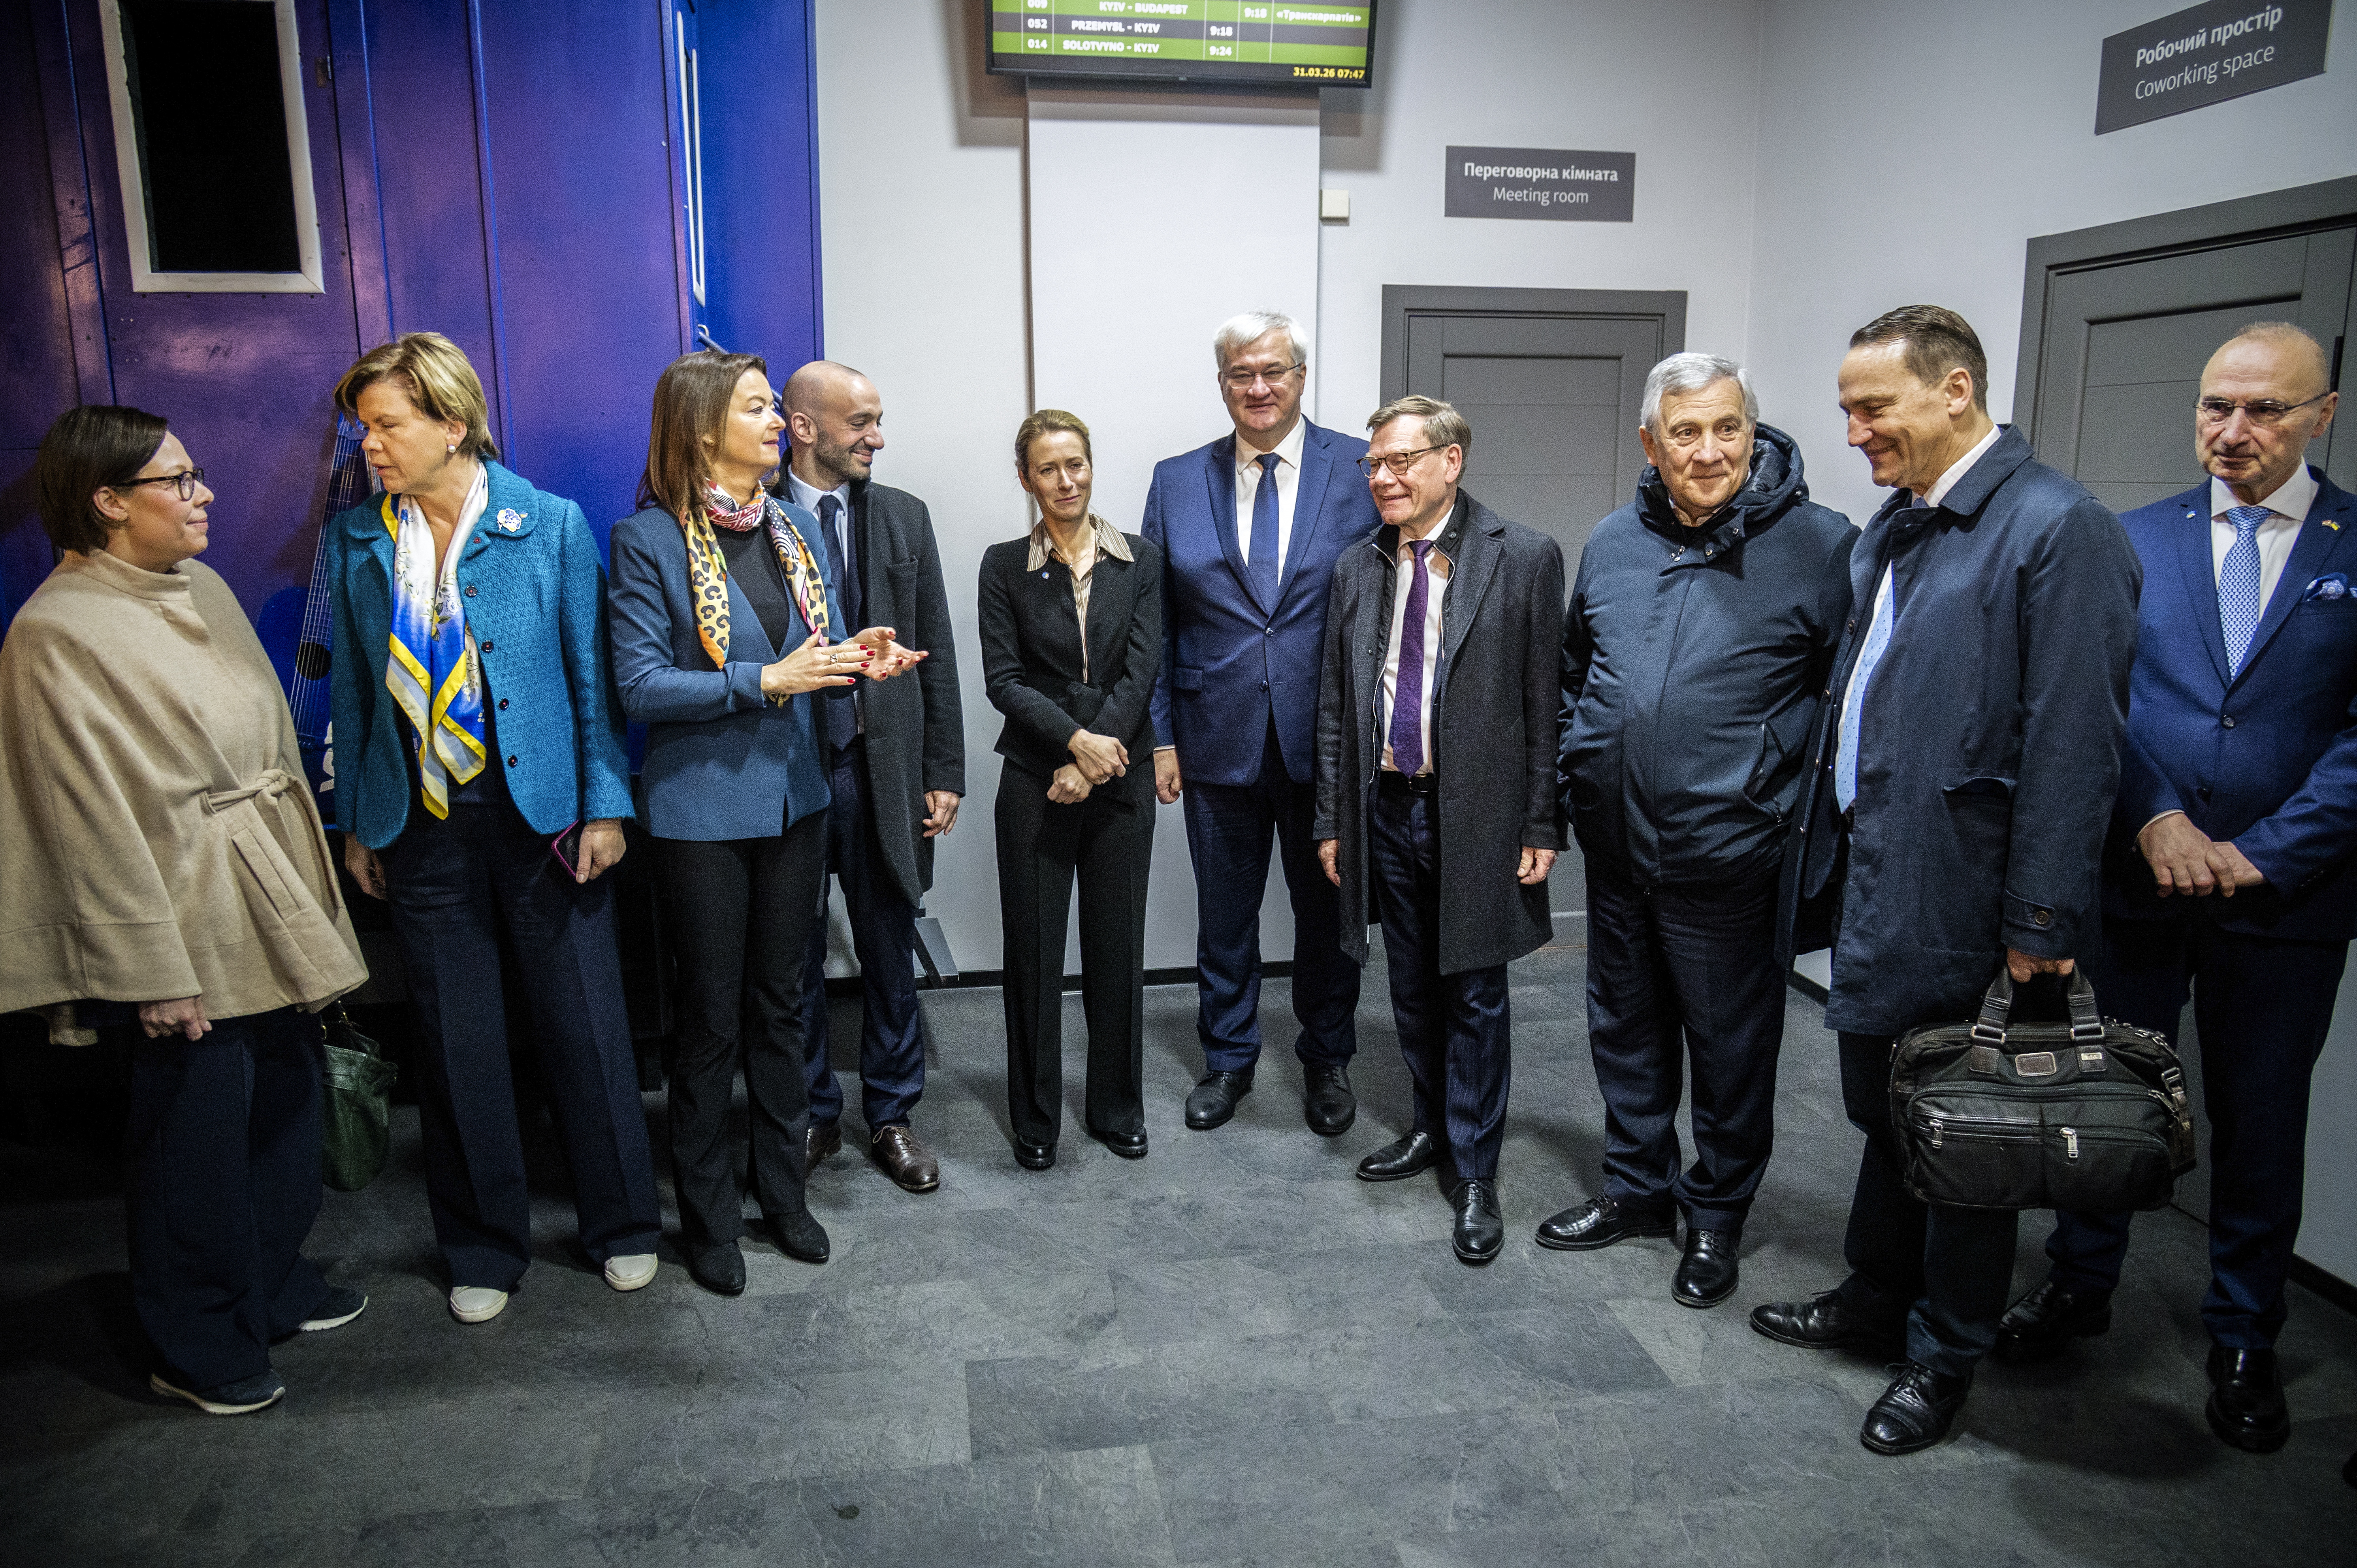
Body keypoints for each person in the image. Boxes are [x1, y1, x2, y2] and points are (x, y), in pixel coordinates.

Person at [1752, 307, 2141, 1455]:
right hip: (1884, 878)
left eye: (1872, 408)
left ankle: (1941, 1353)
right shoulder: (1899, 523)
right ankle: (1873, 1296)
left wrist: (2038, 924)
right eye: (1844, 409)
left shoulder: (2054, 528)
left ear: (1956, 391)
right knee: (1886, 1112)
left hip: (1973, 903)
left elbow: (2075, 743)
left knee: (1964, 1137)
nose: (1852, 430)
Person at [1995, 322, 2353, 1455]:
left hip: (2281, 900)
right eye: (2213, 407)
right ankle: (2078, 1281)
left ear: (2320, 415)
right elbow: (2090, 699)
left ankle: (2243, 1332)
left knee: (2258, 1120)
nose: (2231, 431)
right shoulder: (2130, 539)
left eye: (2262, 411)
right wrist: (2152, 817)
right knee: (2105, 1100)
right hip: (2136, 878)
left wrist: (2269, 848)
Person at [1, 406, 368, 1414]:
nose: (204, 494)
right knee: (193, 1142)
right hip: (177, 916)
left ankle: (271, 1282)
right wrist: (150, 973)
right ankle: (196, 1341)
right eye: (178, 480)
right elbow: (80, 821)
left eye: (196, 473)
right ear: (108, 502)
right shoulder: (55, 633)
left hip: (261, 891)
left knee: (283, 1106)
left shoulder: (196, 583)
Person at [327, 332, 663, 1326]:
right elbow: (353, 689)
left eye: (387, 425)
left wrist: (607, 801)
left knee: (586, 1025)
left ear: (452, 423)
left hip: (544, 814)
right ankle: (481, 1243)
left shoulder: (546, 523)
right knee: (454, 1036)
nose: (372, 446)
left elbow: (592, 677)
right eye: (365, 428)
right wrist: (357, 824)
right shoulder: (357, 539)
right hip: (419, 819)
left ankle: (622, 1226)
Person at [608, 350, 923, 1297]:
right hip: (701, 816)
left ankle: (782, 1194)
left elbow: (810, 649)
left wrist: (856, 653)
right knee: (709, 1024)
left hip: (796, 801)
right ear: (704, 430)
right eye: (757, 409)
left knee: (787, 1008)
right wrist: (767, 680)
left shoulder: (794, 527)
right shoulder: (647, 541)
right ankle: (708, 1220)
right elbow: (638, 684)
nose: (777, 421)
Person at [1547, 353, 1854, 1307]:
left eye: (1729, 428)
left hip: (1732, 855)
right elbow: (1573, 670)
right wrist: (1575, 764)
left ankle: (1715, 1215)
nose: (1710, 450)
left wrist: (1778, 798)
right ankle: (1638, 1189)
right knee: (1625, 1030)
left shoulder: (1822, 545)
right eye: (1686, 431)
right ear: (1651, 442)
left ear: (1754, 434)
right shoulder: (1612, 541)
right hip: (1618, 849)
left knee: (1729, 1050)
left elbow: (1848, 699)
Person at [1314, 396, 1566, 1264]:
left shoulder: (1523, 557)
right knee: (1412, 986)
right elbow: (1335, 706)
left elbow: (1545, 703)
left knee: (1474, 991)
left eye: (1401, 461)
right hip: (1385, 805)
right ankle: (1430, 1126)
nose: (1383, 477)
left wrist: (1543, 816)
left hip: (1478, 812)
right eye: (1373, 465)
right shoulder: (1357, 568)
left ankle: (1474, 1170)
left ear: (1451, 460)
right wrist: (1332, 818)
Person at [1143, 311, 1378, 1136]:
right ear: (1222, 385)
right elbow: (1156, 622)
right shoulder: (1176, 479)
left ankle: (1327, 1057)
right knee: (1226, 912)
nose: (1259, 388)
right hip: (1214, 738)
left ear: (1301, 377)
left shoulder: (1358, 465)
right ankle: (1229, 1056)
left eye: (1274, 371)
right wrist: (1162, 736)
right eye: (1241, 374)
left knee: (1327, 916)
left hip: (1328, 742)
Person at [780, 361, 965, 1195]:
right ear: (804, 426)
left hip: (878, 767)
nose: (877, 437)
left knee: (889, 942)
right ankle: (815, 1112)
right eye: (860, 421)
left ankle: (891, 1112)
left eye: (879, 419)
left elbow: (938, 652)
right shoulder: (756, 516)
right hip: (786, 768)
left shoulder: (902, 516)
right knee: (793, 953)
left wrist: (945, 770)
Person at [980, 410, 1164, 1168]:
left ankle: (1117, 1106)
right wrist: (1072, 742)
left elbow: (1142, 670)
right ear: (1026, 478)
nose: (1067, 481)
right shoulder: (1002, 564)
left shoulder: (1142, 559)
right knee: (1032, 957)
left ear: (1093, 467)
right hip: (1034, 780)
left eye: (1077, 464)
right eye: (1049, 469)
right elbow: (1004, 681)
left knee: (1117, 951)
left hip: (1117, 778)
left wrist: (1092, 758)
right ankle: (1035, 1119)